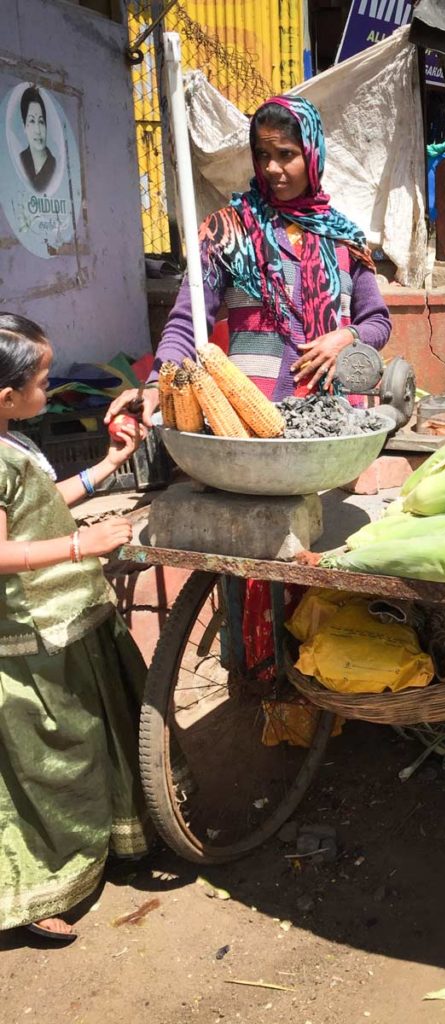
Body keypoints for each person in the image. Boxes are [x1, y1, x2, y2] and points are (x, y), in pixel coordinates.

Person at [0, 313, 150, 945]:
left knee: (95, 734)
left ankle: (109, 845)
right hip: (32, 637)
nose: (51, 388)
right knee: (51, 763)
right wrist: (79, 546)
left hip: (70, 621)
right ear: (7, 395)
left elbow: (41, 502)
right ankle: (41, 885)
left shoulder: (11, 441)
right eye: (42, 379)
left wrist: (112, 462)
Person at [108, 95, 392, 425]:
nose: (272, 168)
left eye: (286, 155)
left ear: (313, 154)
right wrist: (157, 384)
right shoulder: (228, 231)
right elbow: (188, 320)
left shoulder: (343, 237)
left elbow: (377, 322)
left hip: (338, 418)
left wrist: (347, 337)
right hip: (253, 420)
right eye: (263, 155)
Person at [18, 86, 57, 193]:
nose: (38, 130)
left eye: (41, 122)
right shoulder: (21, 160)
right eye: (31, 121)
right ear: (24, 126)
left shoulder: (54, 166)